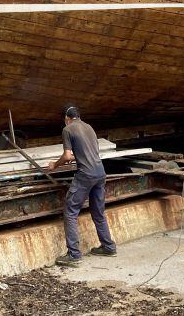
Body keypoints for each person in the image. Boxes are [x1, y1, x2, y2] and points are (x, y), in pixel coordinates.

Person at [46, 104, 117, 267]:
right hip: (100, 172)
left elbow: (67, 155)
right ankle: (108, 247)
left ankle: (74, 254)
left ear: (66, 118)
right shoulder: (89, 127)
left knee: (70, 211)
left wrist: (54, 166)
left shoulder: (68, 129)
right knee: (98, 212)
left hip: (85, 175)